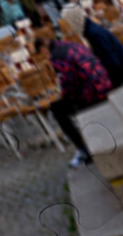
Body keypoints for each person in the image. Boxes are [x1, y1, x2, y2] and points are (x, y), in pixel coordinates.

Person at [35, 35, 112, 168]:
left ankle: (83, 149)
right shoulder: (72, 45)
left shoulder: (56, 57)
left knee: (57, 109)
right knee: (63, 105)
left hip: (91, 92)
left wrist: (63, 95)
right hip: (104, 83)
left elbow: (70, 81)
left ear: (43, 49)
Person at [59, 4, 123, 89]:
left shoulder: (94, 33)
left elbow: (111, 61)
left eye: (68, 21)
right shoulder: (91, 30)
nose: (69, 26)